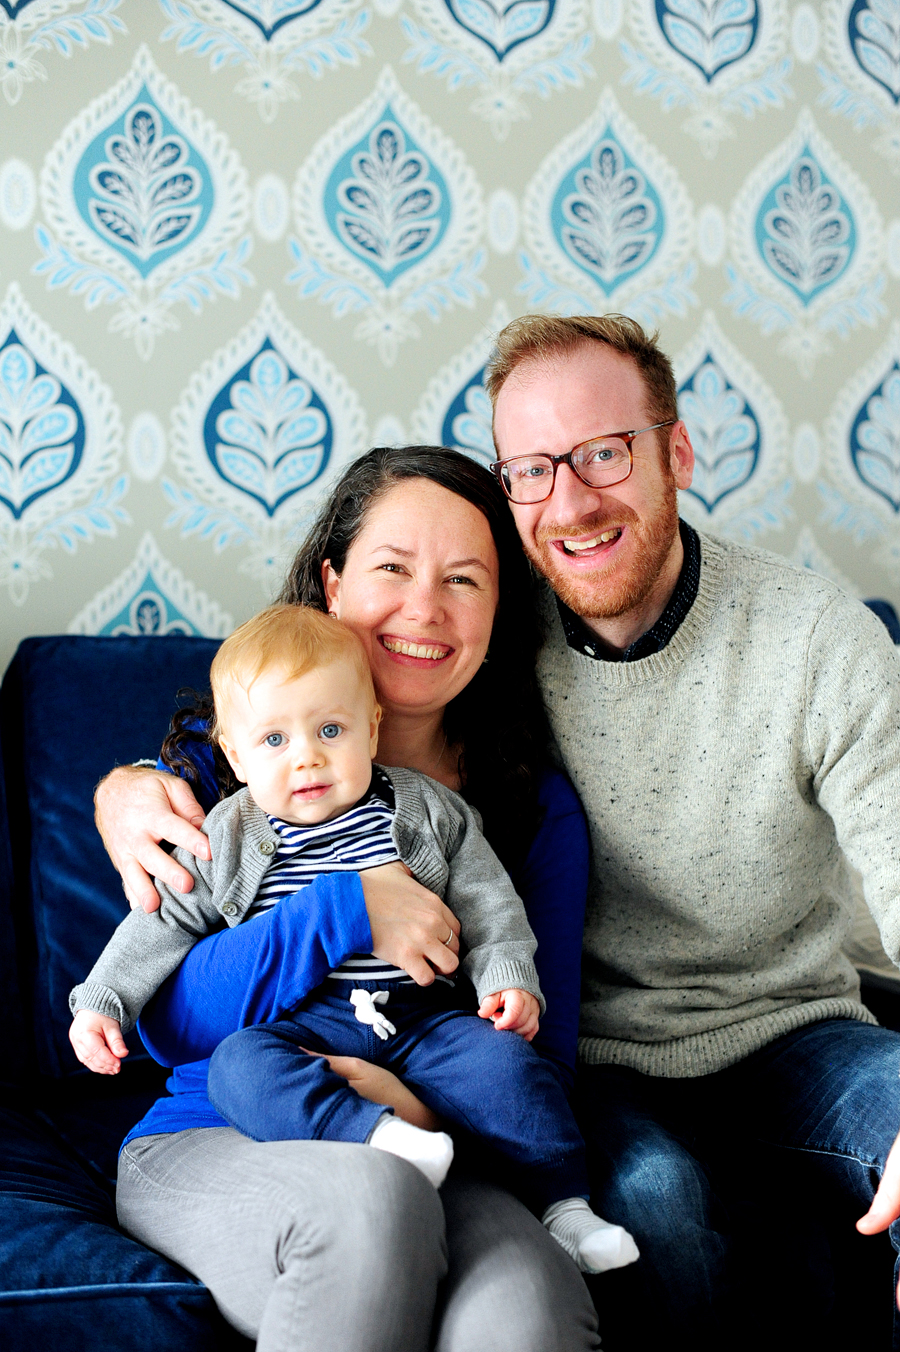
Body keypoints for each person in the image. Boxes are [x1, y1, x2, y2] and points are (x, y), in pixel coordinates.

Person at [93, 447, 603, 1352]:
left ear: (499, 613)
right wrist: (354, 906)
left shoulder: (528, 811)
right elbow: (170, 1027)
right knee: (376, 1207)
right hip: (223, 1123)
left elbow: (536, 1065)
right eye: (392, 569)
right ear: (332, 584)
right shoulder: (227, 779)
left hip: (443, 1141)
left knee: (530, 1310)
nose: (425, 608)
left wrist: (398, 1103)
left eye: (465, 580)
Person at [483, 312, 900, 1347]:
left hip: (798, 1031)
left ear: (676, 452)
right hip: (605, 1058)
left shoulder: (816, 636)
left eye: (604, 454)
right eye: (531, 469)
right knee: (654, 1199)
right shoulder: (488, 643)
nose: (569, 502)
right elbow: (308, 712)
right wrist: (143, 779)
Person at [72, 602, 637, 1272]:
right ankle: (375, 1136)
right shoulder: (226, 832)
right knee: (239, 1069)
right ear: (235, 753)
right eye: (275, 741)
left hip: (423, 1019)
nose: (307, 758)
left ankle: (564, 1207)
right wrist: (103, 1002)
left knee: (507, 1067)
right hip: (300, 1026)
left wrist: (507, 978)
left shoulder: (426, 809)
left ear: (371, 727)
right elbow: (159, 922)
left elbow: (489, 903)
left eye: (330, 729)